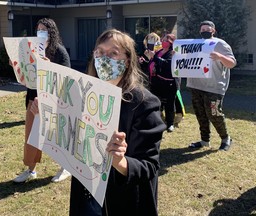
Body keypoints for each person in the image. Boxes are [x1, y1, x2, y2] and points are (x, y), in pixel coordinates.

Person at [68, 29, 166, 215]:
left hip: (121, 202)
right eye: (100, 52)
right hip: (87, 195)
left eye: (113, 53)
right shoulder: (85, 95)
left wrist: (120, 162)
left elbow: (149, 166)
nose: (105, 58)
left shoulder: (145, 103)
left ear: (127, 60)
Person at [13, 18, 71, 183]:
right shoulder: (31, 50)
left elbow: (66, 78)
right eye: (38, 29)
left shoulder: (59, 52)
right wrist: (16, 66)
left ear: (51, 32)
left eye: (44, 30)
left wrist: (49, 67)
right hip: (34, 99)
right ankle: (31, 169)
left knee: (57, 138)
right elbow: (25, 77)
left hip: (53, 101)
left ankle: (65, 167)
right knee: (31, 136)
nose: (40, 33)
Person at [188, 20, 236, 151]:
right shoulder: (194, 44)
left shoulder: (220, 44)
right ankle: (205, 140)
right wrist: (177, 55)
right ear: (199, 31)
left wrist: (219, 56)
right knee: (200, 114)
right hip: (196, 86)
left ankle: (226, 138)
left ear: (213, 31)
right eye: (202, 30)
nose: (205, 31)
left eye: (208, 29)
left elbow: (232, 63)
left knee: (214, 114)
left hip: (214, 87)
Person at [139, 33, 180, 132]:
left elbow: (167, 65)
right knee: (157, 103)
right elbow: (153, 64)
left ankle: (170, 124)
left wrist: (155, 57)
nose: (162, 42)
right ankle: (158, 122)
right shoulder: (160, 51)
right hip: (158, 82)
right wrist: (144, 62)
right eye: (162, 40)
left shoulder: (173, 53)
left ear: (171, 42)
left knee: (169, 104)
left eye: (165, 40)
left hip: (170, 84)